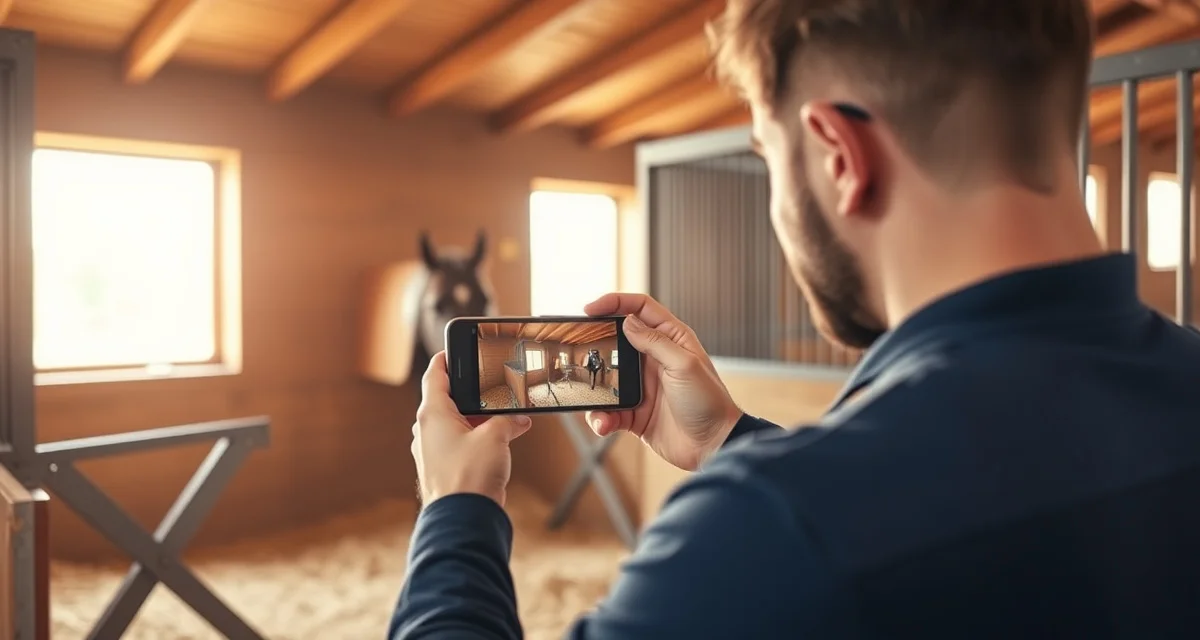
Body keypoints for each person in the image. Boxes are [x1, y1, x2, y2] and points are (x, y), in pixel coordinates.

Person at [392, 0, 1200, 637]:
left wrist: (457, 513)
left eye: (766, 156)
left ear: (838, 156)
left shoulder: (767, 537)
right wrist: (728, 441)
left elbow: (850, 533)